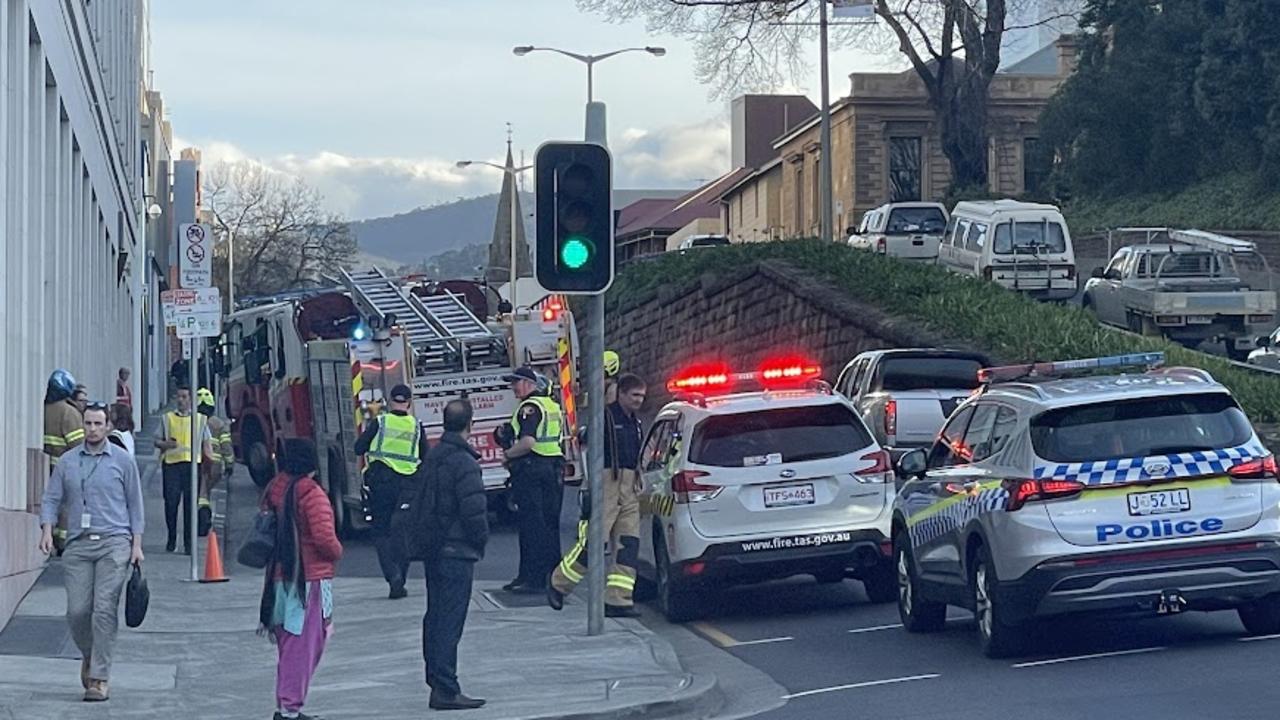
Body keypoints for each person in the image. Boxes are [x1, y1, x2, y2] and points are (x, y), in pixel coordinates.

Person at [38, 402, 145, 703]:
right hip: (78, 545)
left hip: (115, 542)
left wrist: (136, 545)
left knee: (104, 609)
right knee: (77, 612)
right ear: (82, 425)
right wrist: (47, 529)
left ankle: (98, 678)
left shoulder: (123, 462)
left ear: (108, 426)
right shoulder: (68, 462)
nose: (93, 429)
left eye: (98, 424)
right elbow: (51, 499)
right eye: (88, 423)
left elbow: (135, 505)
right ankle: (90, 654)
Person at [548, 373, 647, 617]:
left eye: (642, 396)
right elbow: (584, 440)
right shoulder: (603, 418)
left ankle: (618, 599)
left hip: (629, 485)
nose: (639, 401)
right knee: (595, 542)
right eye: (635, 395)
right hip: (607, 483)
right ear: (621, 393)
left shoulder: (636, 422)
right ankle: (558, 584)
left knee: (628, 545)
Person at [260, 438, 343, 720]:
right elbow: (324, 539)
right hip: (308, 580)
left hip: (279, 578)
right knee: (305, 643)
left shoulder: (276, 488)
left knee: (288, 642)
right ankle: (290, 709)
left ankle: (287, 705)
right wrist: (337, 552)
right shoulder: (311, 493)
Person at [417, 399, 488, 711]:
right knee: (449, 621)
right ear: (469, 425)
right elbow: (474, 512)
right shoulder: (464, 463)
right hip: (456, 551)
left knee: (435, 617)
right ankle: (447, 688)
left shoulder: (433, 457)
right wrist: (479, 542)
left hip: (434, 549)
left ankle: (436, 680)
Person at [354, 383, 427, 599]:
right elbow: (426, 456)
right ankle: (401, 579)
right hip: (409, 485)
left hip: (382, 483)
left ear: (389, 401)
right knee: (402, 532)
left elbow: (359, 447)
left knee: (382, 532)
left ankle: (392, 576)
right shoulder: (416, 425)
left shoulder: (380, 422)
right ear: (409, 403)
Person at [500, 366, 565, 595]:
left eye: (516, 382)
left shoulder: (530, 407)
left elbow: (528, 442)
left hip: (532, 470)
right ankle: (555, 577)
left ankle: (533, 579)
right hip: (553, 469)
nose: (513, 387)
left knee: (532, 526)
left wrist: (507, 455)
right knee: (550, 526)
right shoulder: (551, 405)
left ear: (529, 384)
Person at [154, 386, 212, 554]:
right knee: (171, 503)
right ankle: (172, 538)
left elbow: (206, 444)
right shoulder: (167, 418)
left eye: (185, 397)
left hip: (193, 466)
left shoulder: (200, 419)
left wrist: (212, 464)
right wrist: (166, 444)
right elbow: (157, 440)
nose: (181, 400)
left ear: (191, 399)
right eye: (179, 396)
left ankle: (188, 543)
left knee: (190, 505)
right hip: (171, 465)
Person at [43, 369, 84, 555]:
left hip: (46, 467)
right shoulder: (69, 413)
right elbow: (78, 445)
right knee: (67, 506)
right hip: (66, 467)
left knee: (51, 504)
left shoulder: (43, 408)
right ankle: (63, 542)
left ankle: (50, 536)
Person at [196, 387, 234, 537]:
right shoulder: (219, 424)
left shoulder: (193, 422)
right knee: (205, 494)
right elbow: (226, 445)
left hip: (197, 464)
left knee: (200, 495)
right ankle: (204, 518)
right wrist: (229, 464)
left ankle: (202, 520)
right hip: (215, 466)